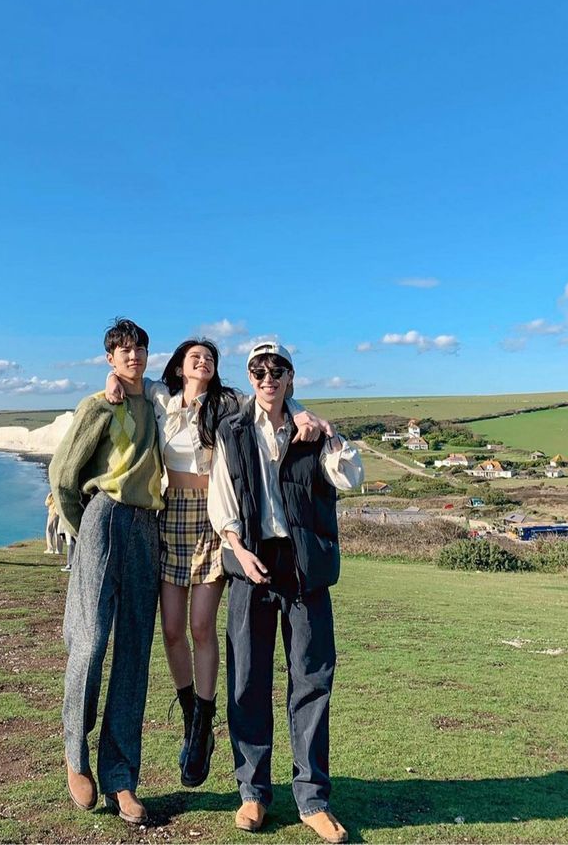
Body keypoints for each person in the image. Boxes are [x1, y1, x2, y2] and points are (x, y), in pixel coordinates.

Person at [106, 339, 327, 789]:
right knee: (171, 629)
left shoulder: (227, 403)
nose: (203, 362)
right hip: (170, 517)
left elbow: (272, 396)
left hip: (213, 520)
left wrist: (302, 411)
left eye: (209, 357)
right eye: (195, 357)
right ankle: (193, 717)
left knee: (201, 627)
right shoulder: (162, 398)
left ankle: (205, 720)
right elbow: (129, 382)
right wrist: (111, 378)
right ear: (181, 367)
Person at [208, 341, 364, 842]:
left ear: (290, 377)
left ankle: (312, 799)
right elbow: (222, 497)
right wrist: (236, 546)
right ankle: (252, 793)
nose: (268, 377)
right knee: (248, 680)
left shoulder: (312, 431)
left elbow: (351, 477)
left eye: (277, 370)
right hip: (251, 562)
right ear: (250, 377)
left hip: (304, 567)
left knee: (312, 680)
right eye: (259, 370)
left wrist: (331, 432)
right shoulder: (232, 429)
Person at [49, 318, 163, 826]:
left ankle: (120, 777)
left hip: (148, 526)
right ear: (110, 359)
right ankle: (76, 754)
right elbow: (63, 473)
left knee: (135, 652)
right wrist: (85, 526)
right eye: (123, 349)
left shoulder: (159, 402)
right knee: (92, 640)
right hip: (103, 515)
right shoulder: (98, 405)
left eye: (139, 347)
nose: (133, 355)